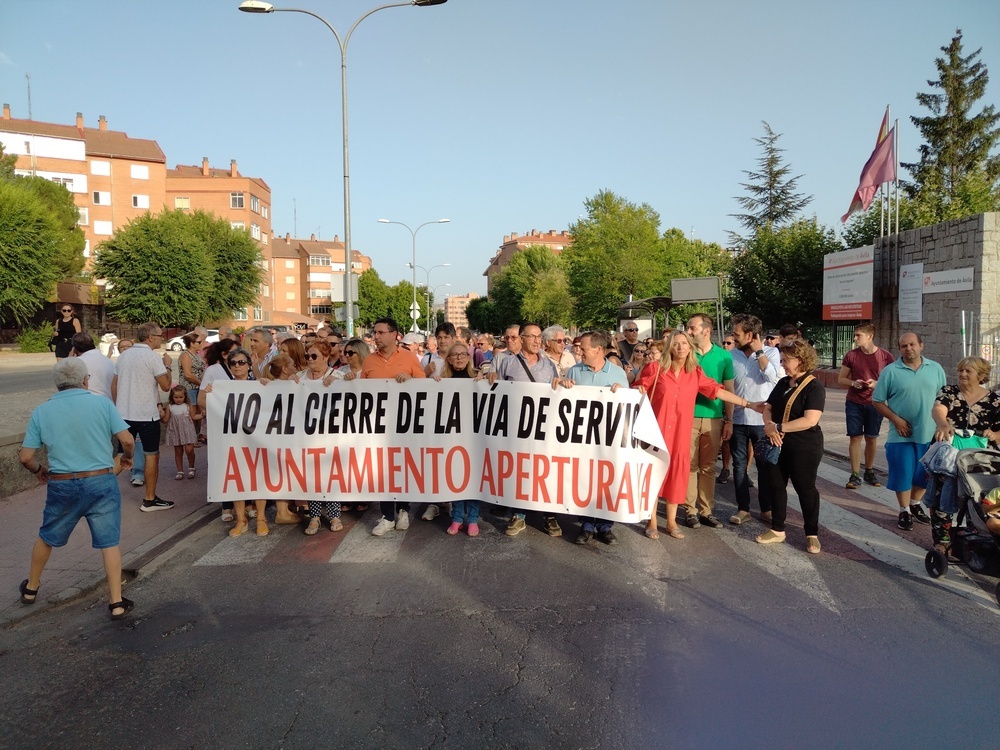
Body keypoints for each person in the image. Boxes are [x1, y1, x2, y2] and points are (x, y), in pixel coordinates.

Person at [18, 359, 137, 620]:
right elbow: (127, 439)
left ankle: (31, 588)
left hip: (62, 484)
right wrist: (127, 458)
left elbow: (26, 456)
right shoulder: (102, 403)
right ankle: (116, 602)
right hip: (100, 481)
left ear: (57, 383)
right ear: (86, 380)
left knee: (47, 535)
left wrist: (40, 471)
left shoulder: (42, 411)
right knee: (109, 542)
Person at [633, 330, 756, 539]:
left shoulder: (695, 373)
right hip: (657, 432)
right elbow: (636, 389)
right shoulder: (655, 368)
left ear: (690, 348)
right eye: (676, 343)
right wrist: (629, 389)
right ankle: (652, 520)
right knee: (654, 476)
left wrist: (749, 404)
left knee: (677, 476)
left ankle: (671, 522)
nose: (680, 347)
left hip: (681, 433)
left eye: (684, 343)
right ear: (669, 347)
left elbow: (717, 391)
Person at [755, 340, 826, 553]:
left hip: (804, 446)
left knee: (805, 488)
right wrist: (770, 426)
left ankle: (811, 533)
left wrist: (778, 426)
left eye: (787, 360)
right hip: (777, 442)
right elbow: (768, 407)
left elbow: (810, 420)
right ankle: (778, 529)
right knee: (776, 484)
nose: (783, 364)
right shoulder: (783, 383)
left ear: (801, 360)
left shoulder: (814, 387)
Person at [358, 318, 427, 536]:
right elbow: (360, 390)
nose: (375, 336)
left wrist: (411, 379)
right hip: (378, 426)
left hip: (404, 424)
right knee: (382, 469)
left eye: (380, 332)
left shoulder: (409, 358)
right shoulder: (369, 360)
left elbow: (424, 385)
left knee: (403, 466)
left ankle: (404, 510)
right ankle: (387, 515)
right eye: (374, 332)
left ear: (394, 334)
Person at [493, 323, 563, 536]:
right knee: (520, 471)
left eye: (539, 337)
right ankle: (519, 515)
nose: (536, 341)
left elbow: (557, 393)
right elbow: (496, 392)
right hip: (516, 429)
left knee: (545, 471)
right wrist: (486, 379)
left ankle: (549, 515)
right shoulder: (507, 364)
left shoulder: (549, 366)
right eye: (531, 337)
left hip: (543, 429)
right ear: (521, 338)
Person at [873, 332, 946, 530]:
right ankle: (904, 510)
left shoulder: (936, 369)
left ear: (921, 345)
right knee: (903, 473)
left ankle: (915, 504)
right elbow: (877, 400)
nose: (908, 349)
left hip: (929, 433)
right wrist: (896, 420)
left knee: (924, 476)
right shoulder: (890, 371)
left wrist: (944, 424)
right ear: (900, 349)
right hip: (901, 434)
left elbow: (944, 400)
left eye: (912, 344)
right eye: (904, 346)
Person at [562, 331, 630, 545]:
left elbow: (628, 406)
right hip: (582, 439)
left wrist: (622, 392)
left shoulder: (617, 373)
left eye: (584, 348)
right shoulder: (574, 371)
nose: (579, 351)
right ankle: (586, 524)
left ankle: (605, 526)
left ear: (599, 350)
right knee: (584, 480)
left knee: (605, 481)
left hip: (607, 440)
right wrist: (563, 386)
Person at [929, 357, 1000, 549]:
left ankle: (972, 539)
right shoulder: (949, 392)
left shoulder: (995, 401)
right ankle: (941, 541)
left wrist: (994, 434)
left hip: (981, 459)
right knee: (943, 495)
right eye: (961, 370)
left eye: (969, 371)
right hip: (950, 454)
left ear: (982, 375)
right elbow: (938, 409)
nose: (963, 374)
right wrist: (943, 423)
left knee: (976, 497)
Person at [111, 322, 174, 512]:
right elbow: (165, 386)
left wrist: (118, 406)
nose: (162, 338)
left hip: (123, 414)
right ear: (150, 337)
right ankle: (149, 499)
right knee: (151, 455)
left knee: (122, 454)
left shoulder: (123, 356)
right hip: (147, 415)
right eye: (160, 335)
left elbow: (114, 385)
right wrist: (168, 366)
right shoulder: (152, 357)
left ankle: (97, 491)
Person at [683, 314, 735, 530]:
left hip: (714, 418)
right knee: (689, 466)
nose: (688, 331)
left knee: (708, 467)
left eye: (692, 327)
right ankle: (690, 510)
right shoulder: (685, 353)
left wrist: (729, 420)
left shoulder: (724, 357)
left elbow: (729, 389)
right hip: (687, 417)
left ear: (706, 330)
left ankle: (706, 510)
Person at [728, 314, 780, 524]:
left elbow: (770, 376)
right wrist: (728, 419)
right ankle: (743, 508)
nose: (734, 337)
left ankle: (766, 508)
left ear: (750, 335)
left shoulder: (772, 352)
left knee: (764, 465)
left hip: (761, 423)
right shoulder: (731, 356)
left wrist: (759, 352)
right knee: (739, 466)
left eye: (737, 333)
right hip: (739, 420)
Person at [838, 323, 895, 489]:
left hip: (875, 402)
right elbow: (841, 379)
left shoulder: (886, 357)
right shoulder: (851, 355)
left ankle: (869, 471)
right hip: (854, 402)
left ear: (870, 337)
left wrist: (877, 384)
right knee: (855, 437)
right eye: (855, 335)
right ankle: (854, 474)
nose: (855, 338)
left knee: (871, 437)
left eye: (858, 335)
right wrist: (853, 383)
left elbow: (891, 381)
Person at [439, 343, 483, 536]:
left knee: (473, 479)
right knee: (456, 477)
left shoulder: (477, 377)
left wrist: (488, 378)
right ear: (448, 359)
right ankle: (457, 517)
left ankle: (473, 519)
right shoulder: (442, 380)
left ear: (469, 357)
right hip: (452, 437)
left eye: (463, 354)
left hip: (474, 437)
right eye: (454, 355)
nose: (459, 358)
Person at [160, 385, 198, 481]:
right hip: (175, 431)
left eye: (181, 397)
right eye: (176, 397)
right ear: (172, 397)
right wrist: (161, 417)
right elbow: (166, 420)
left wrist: (202, 415)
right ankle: (180, 471)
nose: (178, 399)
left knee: (189, 450)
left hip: (187, 431)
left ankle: (191, 467)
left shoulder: (188, 406)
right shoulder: (170, 407)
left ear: (185, 396)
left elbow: (194, 417)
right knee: (178, 451)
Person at [71, 332, 116, 400]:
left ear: (75, 348)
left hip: (88, 402)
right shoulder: (109, 362)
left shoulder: (77, 362)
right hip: (108, 402)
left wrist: (68, 360)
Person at [177, 332, 206, 437]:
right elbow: (188, 374)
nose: (201, 344)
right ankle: (191, 437)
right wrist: (201, 383)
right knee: (192, 414)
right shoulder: (186, 355)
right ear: (192, 343)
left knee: (199, 412)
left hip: (197, 387)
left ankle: (199, 435)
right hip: (190, 387)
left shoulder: (196, 354)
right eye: (198, 342)